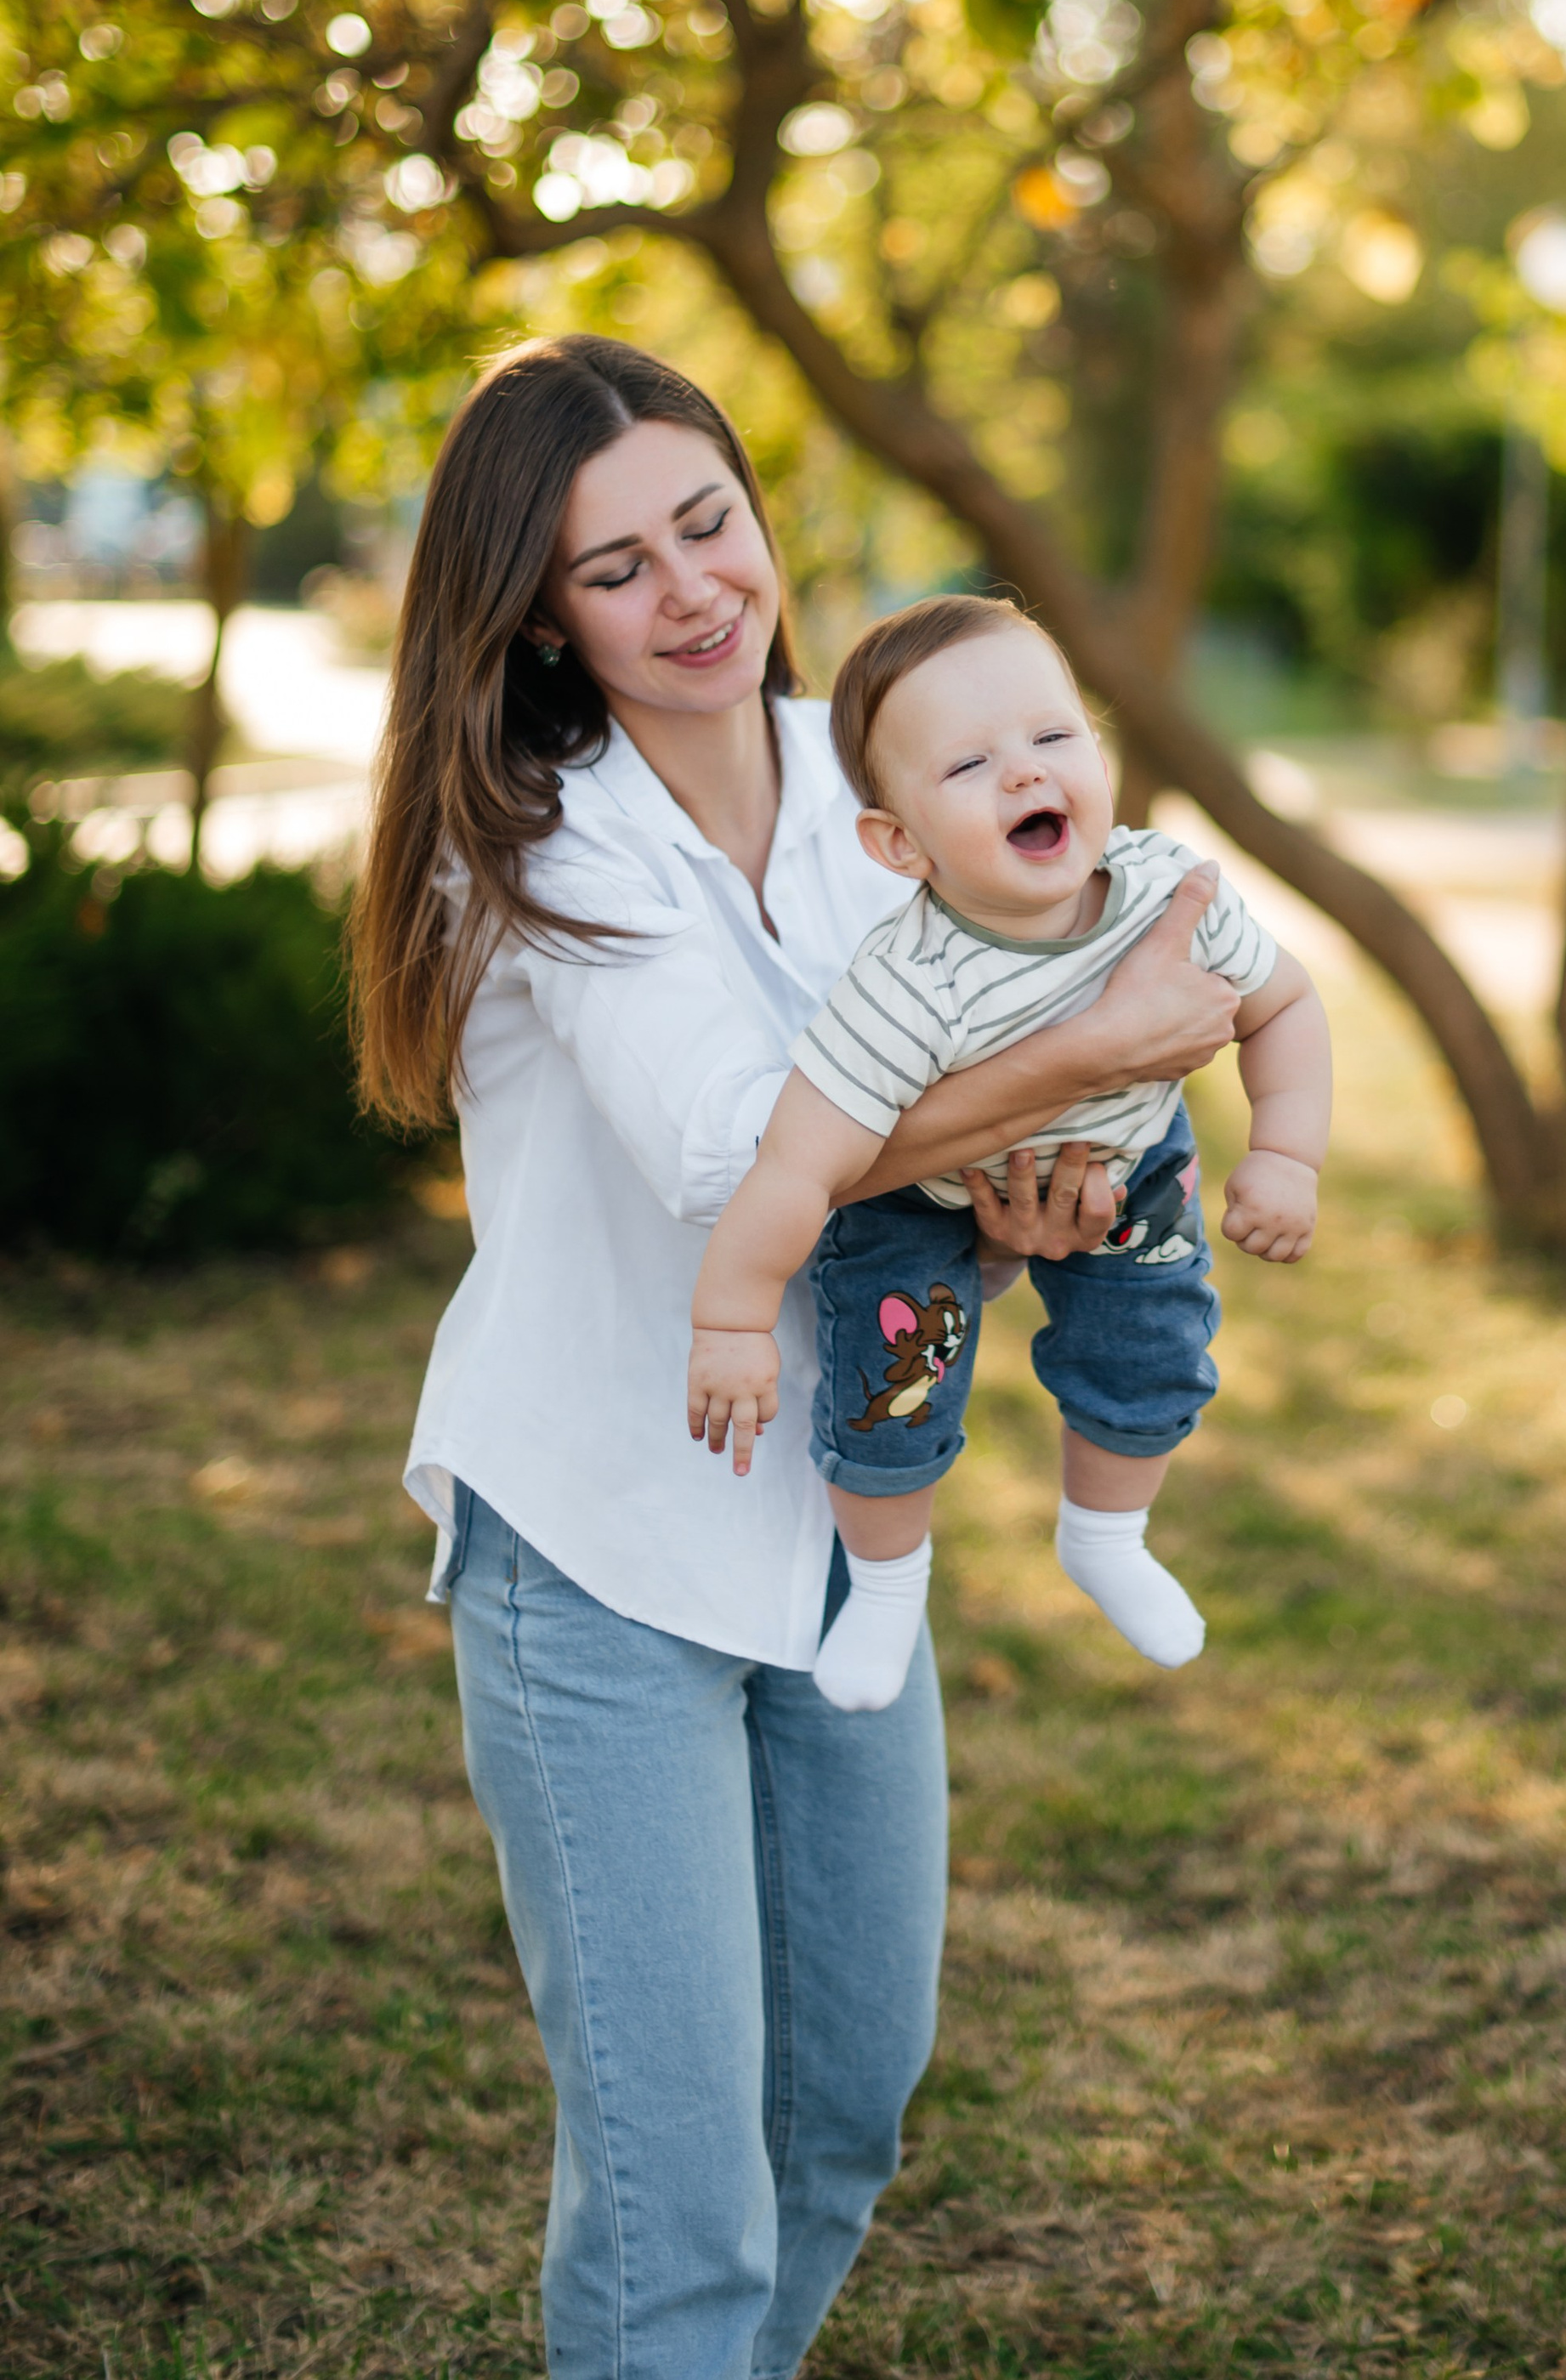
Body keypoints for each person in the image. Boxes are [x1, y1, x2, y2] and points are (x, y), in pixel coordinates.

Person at [348, 334, 1243, 2380]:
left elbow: (912, 1171)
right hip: (597, 1552)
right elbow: (728, 1156)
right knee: (680, 2200)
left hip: (844, 1531)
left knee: (839, 2110)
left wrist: (1039, 1184)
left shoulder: (881, 801)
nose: (688, 590)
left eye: (708, 521)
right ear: (535, 615)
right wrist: (1094, 1049)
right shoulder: (541, 839)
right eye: (611, 567)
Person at [685, 593, 1333, 1714]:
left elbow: (1284, 1005)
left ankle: (1107, 1534)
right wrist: (732, 1319)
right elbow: (799, 1165)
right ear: (899, 845)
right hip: (927, 1192)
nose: (1028, 774)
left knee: (1155, 1343)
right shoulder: (908, 984)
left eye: (1052, 737)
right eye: (972, 764)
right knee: (891, 1385)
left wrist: (1285, 1151)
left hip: (1124, 1157)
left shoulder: (1168, 893)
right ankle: (887, 1586)